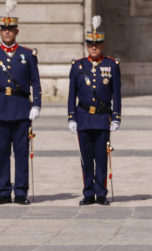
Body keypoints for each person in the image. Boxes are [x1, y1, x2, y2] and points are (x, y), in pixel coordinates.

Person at [67, 15, 122, 206]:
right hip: (83, 117)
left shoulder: (111, 65)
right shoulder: (77, 66)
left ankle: (101, 194)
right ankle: (88, 193)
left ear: (103, 45)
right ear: (86, 45)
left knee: (101, 158)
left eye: (97, 44)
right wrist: (71, 118)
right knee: (86, 159)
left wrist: (116, 117)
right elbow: (71, 94)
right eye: (90, 44)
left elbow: (117, 94)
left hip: (101, 118)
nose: (94, 47)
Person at [0, 0, 41, 206]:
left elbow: (36, 82)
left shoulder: (27, 54)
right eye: (4, 29)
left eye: (10, 29)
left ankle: (21, 191)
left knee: (21, 153)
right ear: (0, 32)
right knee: (1, 153)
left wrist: (36, 105)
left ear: (16, 31)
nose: (7, 32)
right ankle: (4, 191)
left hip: (22, 109)